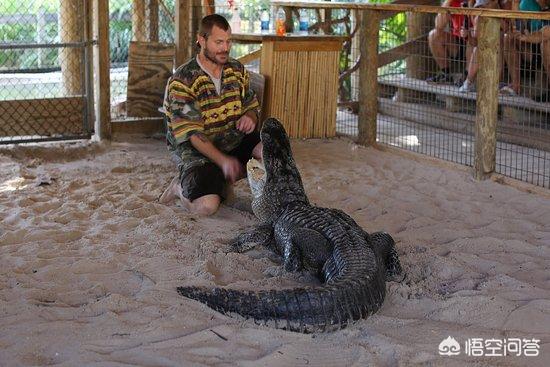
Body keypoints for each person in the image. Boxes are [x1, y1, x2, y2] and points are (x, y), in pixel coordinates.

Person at [159, 14, 261, 216]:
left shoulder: (237, 69)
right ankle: (179, 188)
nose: (225, 48)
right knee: (206, 207)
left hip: (231, 139)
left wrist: (250, 116)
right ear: (201, 40)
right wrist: (223, 161)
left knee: (271, 147)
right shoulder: (182, 80)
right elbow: (194, 136)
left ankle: (272, 201)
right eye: (218, 42)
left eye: (228, 41)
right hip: (197, 152)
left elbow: (251, 105)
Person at [502, 0, 550, 95]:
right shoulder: (527, 3)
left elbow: (547, 33)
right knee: (509, 38)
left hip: (543, 44)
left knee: (546, 44)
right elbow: (517, 27)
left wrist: (528, 37)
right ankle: (516, 86)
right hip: (533, 48)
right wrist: (515, 4)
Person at [458, 0, 504, 93]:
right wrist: (467, 36)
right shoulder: (478, 18)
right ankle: (469, 82)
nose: (482, 9)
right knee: (477, 49)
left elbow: (508, 30)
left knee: (501, 43)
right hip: (485, 48)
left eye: (485, 5)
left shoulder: (502, 13)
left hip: (501, 48)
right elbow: (475, 42)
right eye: (480, 7)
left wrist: (495, 16)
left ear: (494, 3)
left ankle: (495, 84)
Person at [426, 0, 473, 84]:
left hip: (474, 41)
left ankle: (467, 77)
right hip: (457, 42)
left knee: (471, 39)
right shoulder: (453, 2)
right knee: (433, 35)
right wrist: (448, 1)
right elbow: (439, 25)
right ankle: (446, 74)